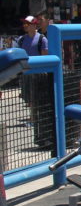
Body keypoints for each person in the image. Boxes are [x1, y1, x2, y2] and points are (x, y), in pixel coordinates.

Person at [16, 15, 52, 149]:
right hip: (26, 77)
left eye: (28, 23)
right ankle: (38, 136)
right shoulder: (21, 40)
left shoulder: (42, 39)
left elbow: (44, 58)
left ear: (34, 25)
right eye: (24, 23)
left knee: (40, 106)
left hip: (39, 77)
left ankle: (43, 137)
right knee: (31, 104)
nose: (25, 26)